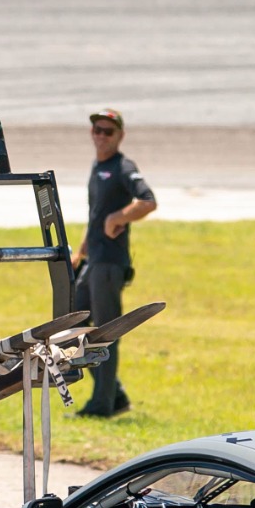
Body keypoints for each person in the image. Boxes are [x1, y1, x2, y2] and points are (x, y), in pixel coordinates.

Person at [71, 108, 156, 418]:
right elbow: (95, 216)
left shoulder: (123, 167)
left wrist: (118, 217)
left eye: (108, 131)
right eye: (97, 130)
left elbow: (148, 201)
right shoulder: (97, 167)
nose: (101, 136)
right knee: (72, 320)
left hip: (110, 264)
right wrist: (80, 252)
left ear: (120, 135)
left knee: (105, 332)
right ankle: (115, 394)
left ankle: (101, 405)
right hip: (93, 261)